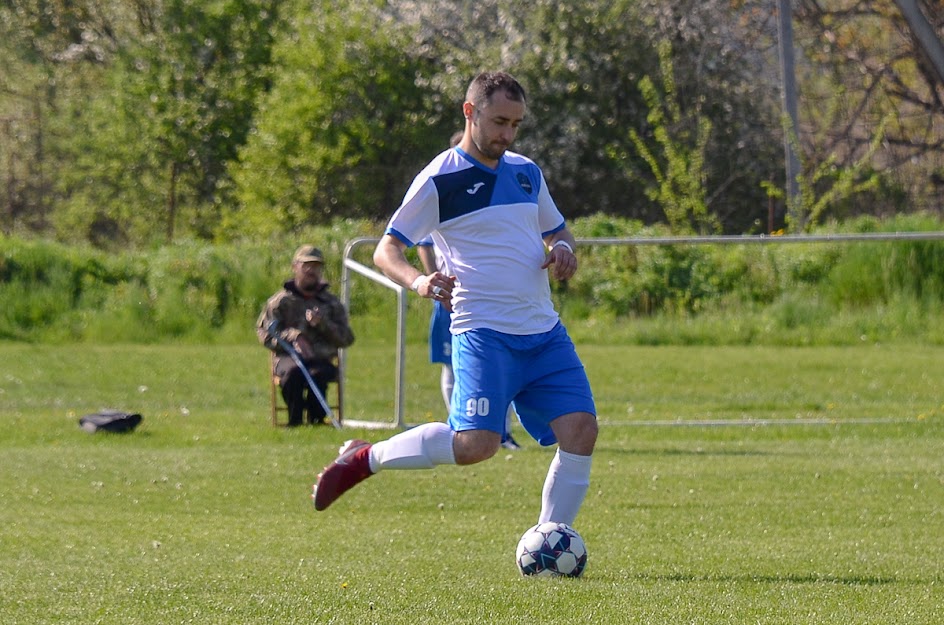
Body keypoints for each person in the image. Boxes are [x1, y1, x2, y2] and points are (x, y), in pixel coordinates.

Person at [312, 71, 597, 530]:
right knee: (476, 445)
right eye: (500, 121)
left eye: (516, 124)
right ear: (471, 112)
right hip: (484, 332)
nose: (507, 134)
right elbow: (388, 249)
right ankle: (366, 458)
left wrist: (563, 249)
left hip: (543, 331)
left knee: (582, 431)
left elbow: (557, 229)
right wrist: (420, 283)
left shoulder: (526, 173)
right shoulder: (439, 180)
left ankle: (550, 538)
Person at [416, 236, 522, 450]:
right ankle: (457, 429)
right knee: (451, 365)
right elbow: (421, 243)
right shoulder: (439, 203)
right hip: (453, 298)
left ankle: (504, 432)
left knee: (503, 367)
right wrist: (433, 279)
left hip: (493, 299)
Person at [257, 245, 355, 426]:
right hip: (289, 357)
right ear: (295, 267)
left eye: (316, 266)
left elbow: (346, 338)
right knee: (293, 373)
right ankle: (295, 421)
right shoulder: (280, 302)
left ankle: (317, 420)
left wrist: (323, 325)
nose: (311, 271)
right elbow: (265, 332)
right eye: (306, 266)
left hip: (320, 358)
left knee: (319, 374)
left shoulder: (331, 303)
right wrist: (293, 336)